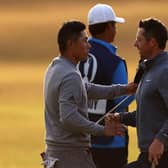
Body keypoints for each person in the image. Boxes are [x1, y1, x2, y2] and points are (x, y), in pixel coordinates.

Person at [42, 20, 137, 168]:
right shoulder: (70, 75)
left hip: (55, 154)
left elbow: (88, 89)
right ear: (71, 44)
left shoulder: (55, 66)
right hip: (71, 157)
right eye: (84, 40)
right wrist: (102, 130)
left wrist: (124, 89)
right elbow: (68, 117)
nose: (89, 45)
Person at [78, 4, 134, 168]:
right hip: (112, 142)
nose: (115, 30)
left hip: (81, 139)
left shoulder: (76, 57)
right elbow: (121, 101)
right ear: (109, 27)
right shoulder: (115, 62)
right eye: (114, 25)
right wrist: (141, 88)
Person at [108, 18, 168, 168]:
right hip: (150, 155)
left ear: (152, 42)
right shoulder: (149, 70)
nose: (135, 44)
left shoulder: (165, 71)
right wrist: (120, 117)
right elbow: (150, 114)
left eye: (139, 40)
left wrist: (161, 139)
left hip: (162, 154)